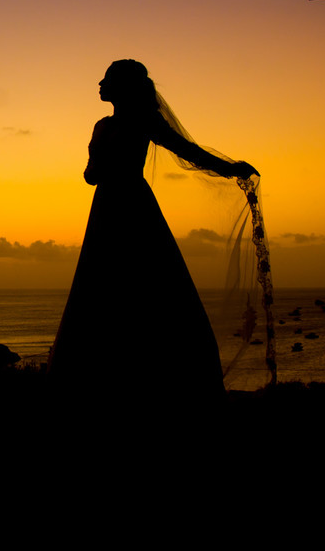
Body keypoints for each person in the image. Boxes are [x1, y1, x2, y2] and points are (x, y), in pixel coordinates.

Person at [48, 59, 259, 401]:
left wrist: (228, 167)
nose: (100, 84)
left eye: (107, 79)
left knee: (151, 281)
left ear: (123, 87)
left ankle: (162, 378)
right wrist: (96, 163)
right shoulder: (101, 125)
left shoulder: (144, 120)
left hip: (133, 205)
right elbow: (90, 176)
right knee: (103, 282)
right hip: (106, 208)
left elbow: (187, 150)